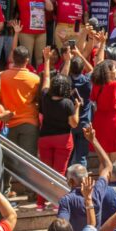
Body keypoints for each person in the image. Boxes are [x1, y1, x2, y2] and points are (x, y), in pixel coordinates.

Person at [57, 128, 113, 231]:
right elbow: (108, 166)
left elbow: (62, 228)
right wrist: (93, 140)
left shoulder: (66, 201)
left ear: (70, 181)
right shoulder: (97, 191)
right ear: (86, 177)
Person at [36, 46, 82, 211]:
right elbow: (74, 123)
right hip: (63, 138)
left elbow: (48, 77)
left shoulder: (45, 97)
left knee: (44, 171)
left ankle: (40, 203)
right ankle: (57, 202)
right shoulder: (68, 103)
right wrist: (77, 108)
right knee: (59, 171)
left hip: (45, 137)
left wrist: (46, 60)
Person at [0, 45, 41, 192]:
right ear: (27, 60)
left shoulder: (2, 76)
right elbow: (38, 99)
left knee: (7, 160)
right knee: (30, 160)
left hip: (8, 123)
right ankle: (31, 192)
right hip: (29, 122)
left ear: (13, 59)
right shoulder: (35, 79)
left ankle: (4, 191)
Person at [90, 60, 116, 161]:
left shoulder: (96, 85)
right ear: (109, 71)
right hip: (114, 122)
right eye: (114, 68)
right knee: (115, 161)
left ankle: (103, 177)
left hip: (100, 122)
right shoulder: (115, 84)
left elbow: (93, 99)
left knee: (103, 162)